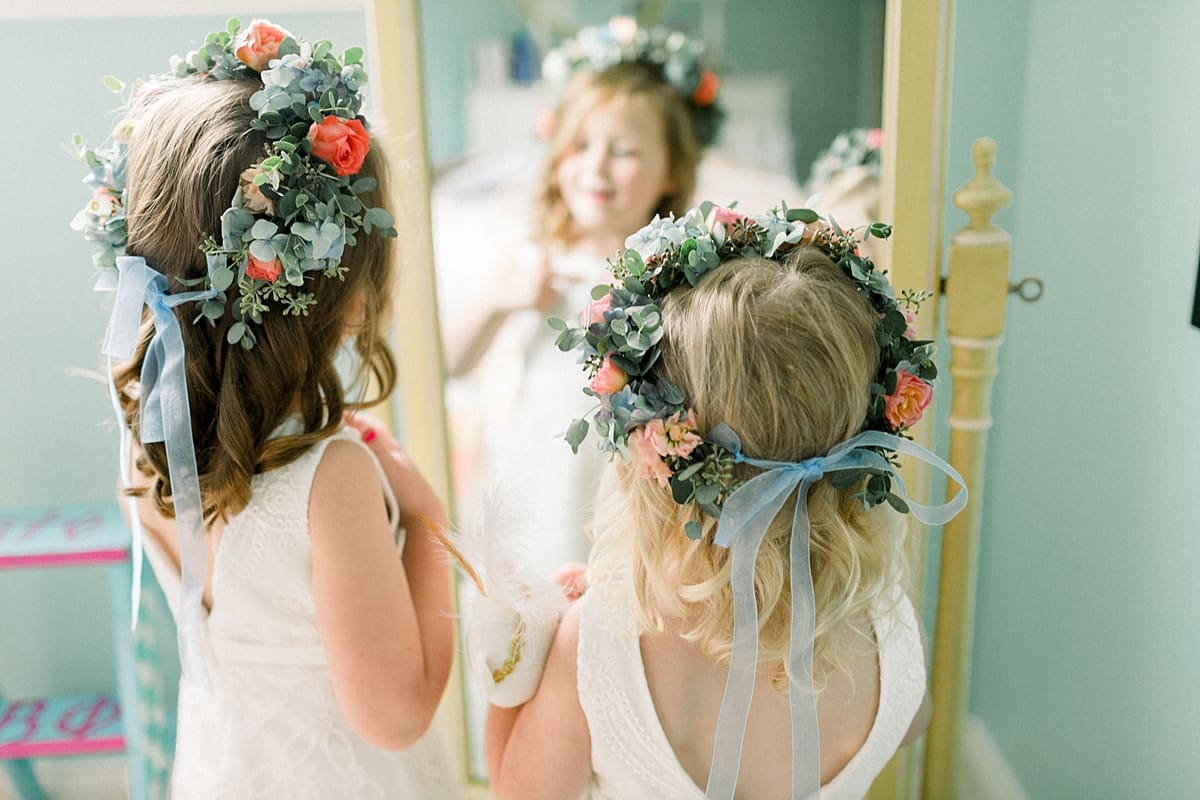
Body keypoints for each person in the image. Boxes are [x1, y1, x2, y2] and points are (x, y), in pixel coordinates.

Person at [73, 19, 456, 798]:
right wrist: (428, 525)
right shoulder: (332, 478)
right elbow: (397, 715)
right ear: (342, 296)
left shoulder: (145, 418)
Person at [471, 204, 966, 798]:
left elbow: (517, 791)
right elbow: (910, 721)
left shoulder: (602, 638)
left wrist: (522, 668)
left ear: (658, 455)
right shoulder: (885, 621)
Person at [440, 17, 719, 574]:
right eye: (581, 145)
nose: (596, 165)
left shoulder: (674, 279)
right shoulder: (528, 255)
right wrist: (500, 299)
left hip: (618, 489)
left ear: (670, 170)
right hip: (527, 469)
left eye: (624, 151)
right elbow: (447, 363)